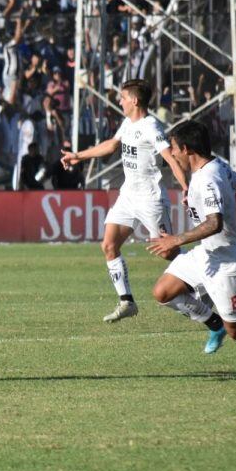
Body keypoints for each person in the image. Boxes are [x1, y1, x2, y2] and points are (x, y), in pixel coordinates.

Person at [61, 79, 188, 323]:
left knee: (168, 252)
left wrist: (185, 188)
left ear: (135, 100)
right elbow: (111, 146)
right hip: (128, 195)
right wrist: (78, 156)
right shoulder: (127, 123)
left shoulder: (152, 127)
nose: (119, 101)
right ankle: (126, 301)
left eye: (122, 97)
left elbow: (171, 160)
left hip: (151, 199)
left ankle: (202, 277)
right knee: (109, 245)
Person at [147, 120, 236, 360]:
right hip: (207, 254)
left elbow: (214, 223)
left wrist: (176, 240)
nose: (171, 154)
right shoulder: (215, 167)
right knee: (163, 292)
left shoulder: (208, 179)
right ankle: (214, 324)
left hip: (229, 263)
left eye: (174, 148)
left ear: (186, 149)